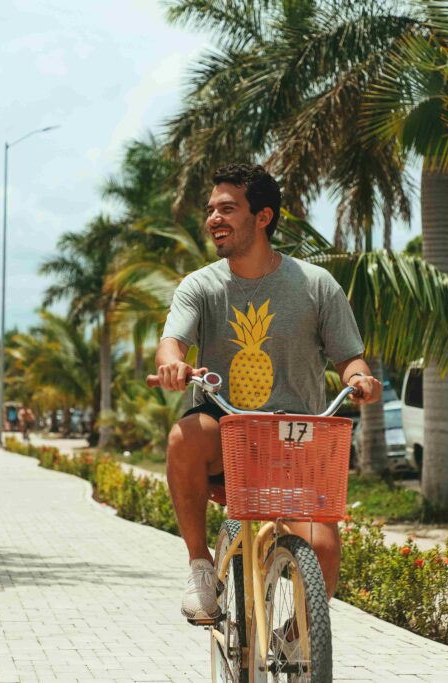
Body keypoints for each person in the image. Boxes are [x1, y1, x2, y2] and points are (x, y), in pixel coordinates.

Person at [154, 163, 382, 625]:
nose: (214, 218)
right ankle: (201, 569)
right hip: (228, 429)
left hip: (298, 438)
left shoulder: (316, 285)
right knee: (184, 436)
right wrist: (172, 364)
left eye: (228, 208)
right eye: (211, 209)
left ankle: (298, 641)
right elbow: (171, 343)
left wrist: (361, 379)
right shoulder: (200, 285)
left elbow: (350, 359)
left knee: (323, 547)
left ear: (262, 217)